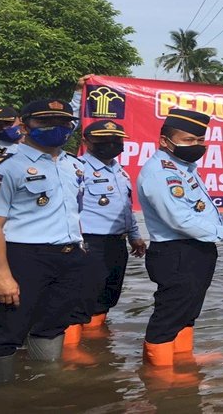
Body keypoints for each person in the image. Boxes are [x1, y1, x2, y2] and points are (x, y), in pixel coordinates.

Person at [138, 108, 223, 373]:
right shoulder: (161, 172)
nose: (196, 145)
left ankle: (182, 360)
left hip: (195, 250)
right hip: (176, 252)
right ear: (165, 140)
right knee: (169, 315)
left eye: (200, 140)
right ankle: (160, 376)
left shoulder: (185, 168)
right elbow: (180, 221)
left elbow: (199, 212)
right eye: (188, 140)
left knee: (187, 311)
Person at [0, 99, 86, 382]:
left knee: (53, 325)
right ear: (25, 125)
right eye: (45, 122)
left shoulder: (73, 165)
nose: (56, 128)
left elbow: (73, 212)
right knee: (8, 331)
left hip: (69, 255)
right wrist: (2, 275)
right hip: (24, 258)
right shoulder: (5, 165)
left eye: (62, 122)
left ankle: (43, 387)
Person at [75, 120, 147, 334]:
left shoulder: (119, 171)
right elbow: (68, 209)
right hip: (88, 243)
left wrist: (134, 235)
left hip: (116, 242)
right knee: (82, 298)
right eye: (103, 139)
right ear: (86, 141)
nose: (111, 143)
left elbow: (125, 206)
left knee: (107, 295)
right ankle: (71, 352)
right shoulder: (78, 169)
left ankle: (96, 343)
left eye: (116, 140)